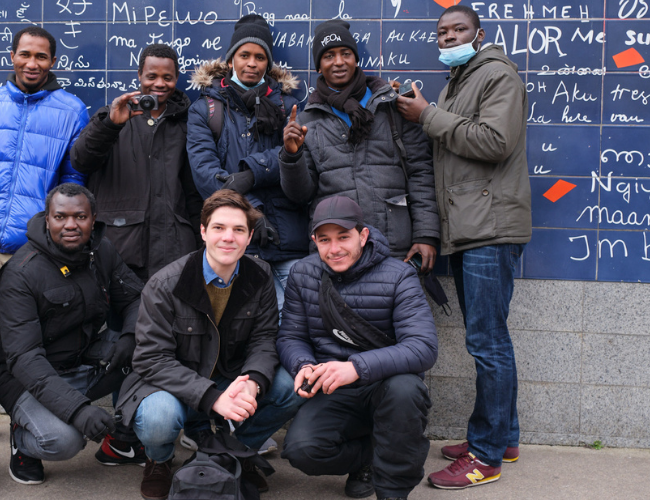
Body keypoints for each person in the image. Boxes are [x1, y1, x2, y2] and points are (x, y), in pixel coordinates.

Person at [394, 4, 530, 489]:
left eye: (459, 30)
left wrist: (427, 113)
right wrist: (420, 108)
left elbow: (493, 141)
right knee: (488, 337)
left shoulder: (497, 75)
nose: (449, 38)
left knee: (487, 343)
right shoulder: (461, 80)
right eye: (443, 32)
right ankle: (504, 437)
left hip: (490, 229)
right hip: (474, 228)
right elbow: (455, 142)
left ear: (480, 33)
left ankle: (485, 456)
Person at [116, 189, 304, 500]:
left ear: (249, 237)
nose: (228, 237)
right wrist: (210, 397)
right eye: (219, 228)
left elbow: (264, 338)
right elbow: (151, 359)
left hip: (231, 376)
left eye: (238, 230)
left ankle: (233, 452)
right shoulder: (165, 284)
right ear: (203, 231)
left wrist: (254, 382)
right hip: (172, 382)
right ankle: (158, 460)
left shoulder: (260, 275)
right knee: (157, 419)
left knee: (291, 385)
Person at [278, 195, 438, 500]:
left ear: (363, 236)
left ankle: (392, 491)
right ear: (314, 241)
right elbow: (290, 337)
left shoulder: (399, 274)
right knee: (302, 451)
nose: (334, 248)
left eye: (343, 237)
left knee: (406, 390)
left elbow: (423, 347)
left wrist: (355, 367)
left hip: (387, 384)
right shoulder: (303, 273)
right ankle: (369, 457)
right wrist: (303, 365)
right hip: (333, 388)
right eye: (324, 239)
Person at [0, 183, 146, 486]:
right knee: (65, 441)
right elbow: (24, 358)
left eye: (80, 216)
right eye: (61, 217)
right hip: (26, 378)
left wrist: (129, 338)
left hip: (84, 360)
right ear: (47, 219)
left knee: (153, 348)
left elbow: (136, 299)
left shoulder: (101, 250)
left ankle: (120, 442)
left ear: (94, 218)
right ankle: (22, 440)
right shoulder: (20, 273)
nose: (71, 225)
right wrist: (77, 411)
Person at [279, 20, 440, 272]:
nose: (339, 62)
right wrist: (292, 155)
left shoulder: (393, 106)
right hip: (336, 253)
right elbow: (301, 195)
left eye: (346, 53)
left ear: (356, 58)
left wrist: (426, 235)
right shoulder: (306, 119)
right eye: (329, 56)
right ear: (319, 66)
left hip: (395, 247)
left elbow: (420, 172)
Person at [187, 13, 309, 311]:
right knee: (243, 325)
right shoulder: (206, 109)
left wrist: (250, 173)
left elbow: (294, 157)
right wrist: (251, 210)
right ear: (231, 60)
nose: (252, 63)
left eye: (259, 56)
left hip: (287, 238)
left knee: (293, 322)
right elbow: (205, 173)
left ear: (268, 63)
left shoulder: (288, 107)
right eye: (244, 55)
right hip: (235, 238)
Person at [0, 26, 89, 263]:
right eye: (25, 54)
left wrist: (52, 237)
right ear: (12, 56)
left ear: (53, 61)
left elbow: (73, 183)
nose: (32, 64)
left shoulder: (72, 111)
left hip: (37, 251)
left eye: (41, 57)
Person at [70, 43, 203, 282]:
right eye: (152, 76)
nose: (159, 84)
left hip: (175, 253)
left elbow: (194, 194)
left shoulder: (188, 124)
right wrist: (110, 125)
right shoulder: (112, 116)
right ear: (140, 75)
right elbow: (81, 161)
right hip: (120, 252)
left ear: (177, 79)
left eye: (167, 77)